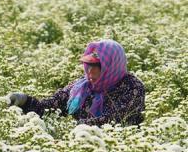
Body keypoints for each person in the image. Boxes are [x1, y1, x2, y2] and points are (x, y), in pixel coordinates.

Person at [9, 39, 145, 126]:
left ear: (111, 66)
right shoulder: (82, 86)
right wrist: (25, 101)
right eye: (88, 66)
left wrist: (72, 129)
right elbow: (50, 107)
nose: (89, 72)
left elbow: (113, 121)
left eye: (97, 67)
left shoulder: (131, 87)